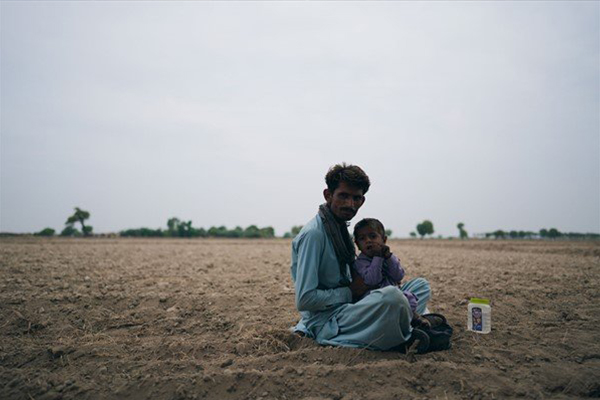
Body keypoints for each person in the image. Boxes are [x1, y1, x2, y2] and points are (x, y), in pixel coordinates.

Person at [290, 163, 431, 350]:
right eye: (343, 196)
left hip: (353, 304)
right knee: (393, 298)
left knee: (420, 286)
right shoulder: (314, 235)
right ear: (328, 195)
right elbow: (305, 300)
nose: (350, 204)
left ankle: (399, 324)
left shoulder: (342, 231)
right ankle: (406, 331)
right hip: (330, 317)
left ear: (362, 201)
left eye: (356, 198)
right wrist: (350, 292)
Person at [352, 218, 430, 327]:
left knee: (420, 286)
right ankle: (410, 321)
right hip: (377, 300)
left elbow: (398, 276)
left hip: (396, 295)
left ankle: (408, 319)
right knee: (393, 299)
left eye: (373, 236)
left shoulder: (387, 256)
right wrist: (377, 257)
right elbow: (373, 279)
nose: (368, 241)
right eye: (362, 238)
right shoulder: (360, 262)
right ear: (357, 245)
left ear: (384, 240)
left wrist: (389, 257)